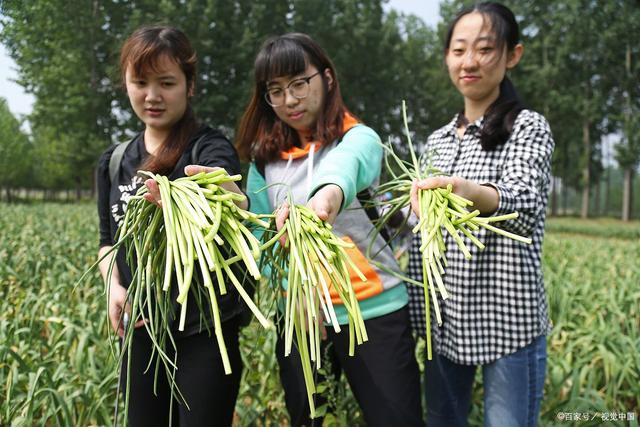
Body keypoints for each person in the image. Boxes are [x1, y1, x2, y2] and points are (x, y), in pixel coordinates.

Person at [235, 33, 423, 427]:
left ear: (327, 78)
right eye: (276, 90)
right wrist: (299, 293)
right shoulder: (263, 160)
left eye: (299, 83)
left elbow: (347, 167)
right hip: (301, 316)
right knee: (310, 421)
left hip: (374, 310)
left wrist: (326, 198)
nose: (290, 100)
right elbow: (258, 236)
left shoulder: (359, 138)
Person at [406, 3, 554, 427]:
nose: (469, 62)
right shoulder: (436, 141)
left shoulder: (527, 127)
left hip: (507, 322)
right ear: (447, 57)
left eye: (485, 49)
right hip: (444, 322)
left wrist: (468, 192)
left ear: (513, 55)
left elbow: (523, 203)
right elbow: (416, 224)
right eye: (458, 50)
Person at [96, 25, 246, 426]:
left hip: (204, 333)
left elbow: (231, 196)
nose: (152, 96)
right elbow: (107, 242)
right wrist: (114, 285)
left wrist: (218, 195)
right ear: (126, 84)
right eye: (140, 82)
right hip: (141, 330)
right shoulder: (114, 162)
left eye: (166, 83)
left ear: (189, 85)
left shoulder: (208, 147)